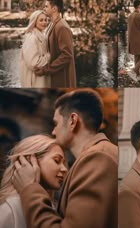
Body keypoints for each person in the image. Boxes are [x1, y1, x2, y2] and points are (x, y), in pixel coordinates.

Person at [12, 89, 118, 228]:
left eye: (56, 124)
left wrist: (29, 188)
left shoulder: (97, 157)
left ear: (73, 121)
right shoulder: (100, 154)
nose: (53, 131)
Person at [0, 134, 67, 228]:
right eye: (56, 160)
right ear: (30, 161)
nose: (64, 169)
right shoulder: (10, 208)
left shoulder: (53, 208)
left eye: (64, 163)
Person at [34, 0, 76, 88]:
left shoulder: (61, 27)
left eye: (46, 6)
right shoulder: (53, 24)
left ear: (54, 9)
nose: (44, 9)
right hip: (56, 74)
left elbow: (67, 55)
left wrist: (46, 69)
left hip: (62, 76)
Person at [20, 10, 51, 88]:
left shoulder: (41, 36)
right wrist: (49, 56)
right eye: (41, 20)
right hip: (34, 81)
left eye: (46, 20)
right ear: (34, 21)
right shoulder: (32, 38)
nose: (44, 22)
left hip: (40, 79)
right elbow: (34, 63)